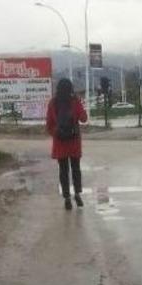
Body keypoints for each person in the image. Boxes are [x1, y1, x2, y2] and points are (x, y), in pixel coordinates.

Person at [46, 78, 88, 210]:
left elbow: (49, 125)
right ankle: (77, 194)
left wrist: (57, 133)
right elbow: (84, 118)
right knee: (76, 169)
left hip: (60, 143)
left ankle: (67, 198)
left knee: (63, 171)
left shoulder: (53, 103)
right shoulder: (75, 101)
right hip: (74, 141)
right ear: (71, 88)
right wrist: (79, 103)